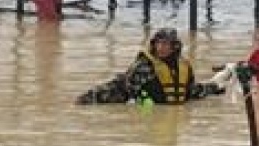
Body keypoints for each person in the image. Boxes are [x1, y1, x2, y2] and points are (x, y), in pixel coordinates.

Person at [76, 28, 224, 105]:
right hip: (147, 116)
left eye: (165, 44)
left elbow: (191, 91)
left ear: (174, 46)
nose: (161, 48)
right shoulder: (144, 66)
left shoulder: (184, 67)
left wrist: (215, 88)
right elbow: (121, 87)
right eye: (158, 43)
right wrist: (89, 98)